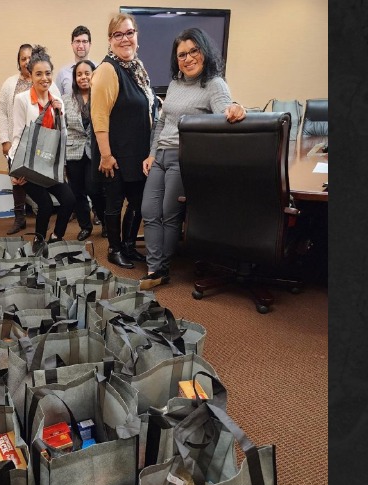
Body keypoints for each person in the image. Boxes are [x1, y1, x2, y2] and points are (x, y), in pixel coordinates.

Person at [139, 28, 246, 289]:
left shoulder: (214, 84)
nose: (187, 59)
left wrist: (236, 108)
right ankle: (154, 267)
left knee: (168, 213)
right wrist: (152, 154)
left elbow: (225, 111)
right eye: (182, 54)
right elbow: (162, 122)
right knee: (149, 212)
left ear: (204, 52)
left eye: (193, 51)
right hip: (161, 155)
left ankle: (160, 270)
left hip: (184, 157)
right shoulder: (175, 84)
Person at [90, 14, 157, 269]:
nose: (125, 39)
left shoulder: (137, 69)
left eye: (129, 33)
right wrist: (106, 156)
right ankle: (114, 249)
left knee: (139, 202)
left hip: (137, 152)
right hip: (115, 154)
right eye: (118, 34)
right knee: (114, 204)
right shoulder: (108, 70)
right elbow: (99, 117)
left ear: (136, 37)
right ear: (110, 40)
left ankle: (129, 246)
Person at [8, 46, 76, 251]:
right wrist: (14, 168)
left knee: (69, 200)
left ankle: (55, 238)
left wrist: (60, 115)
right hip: (29, 164)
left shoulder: (58, 103)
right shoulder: (22, 100)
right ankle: (39, 242)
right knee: (44, 205)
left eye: (48, 73)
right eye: (39, 74)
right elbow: (17, 135)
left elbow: (62, 136)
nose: (44, 78)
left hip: (49, 163)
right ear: (31, 75)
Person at [62, 60, 104, 241]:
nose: (83, 77)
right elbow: (62, 130)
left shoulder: (101, 97)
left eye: (87, 73)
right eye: (79, 74)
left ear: (94, 74)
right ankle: (85, 226)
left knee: (95, 189)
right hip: (73, 151)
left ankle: (104, 221)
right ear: (74, 78)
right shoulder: (65, 100)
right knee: (77, 191)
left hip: (95, 150)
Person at [0, 44, 34, 235]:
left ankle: (44, 211)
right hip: (16, 139)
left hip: (36, 140)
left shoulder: (41, 79)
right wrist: (5, 140)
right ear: (18, 62)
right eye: (23, 58)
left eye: (30, 57)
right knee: (17, 179)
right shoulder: (10, 84)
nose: (27, 61)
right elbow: (2, 112)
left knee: (38, 177)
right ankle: (20, 218)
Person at [55, 25, 92, 96]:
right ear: (72, 44)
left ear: (89, 44)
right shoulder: (62, 73)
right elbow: (58, 101)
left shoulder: (98, 69)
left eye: (84, 41)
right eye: (77, 41)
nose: (81, 46)